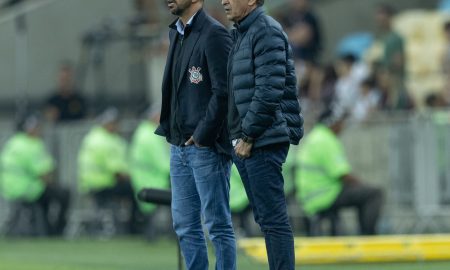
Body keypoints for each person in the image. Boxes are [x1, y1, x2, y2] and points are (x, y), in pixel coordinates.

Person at [221, 0, 304, 269]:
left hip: (261, 140)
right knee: (267, 220)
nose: (224, 0)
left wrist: (247, 136)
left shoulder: (266, 30)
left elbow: (269, 89)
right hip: (249, 139)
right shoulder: (242, 32)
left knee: (273, 221)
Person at [154, 0, 235, 269]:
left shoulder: (214, 34)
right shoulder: (175, 32)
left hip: (205, 147)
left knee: (217, 225)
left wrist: (202, 135)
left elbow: (224, 92)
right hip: (179, 147)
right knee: (185, 226)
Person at [295, 108, 383, 235]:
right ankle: (368, 239)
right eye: (340, 122)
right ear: (331, 123)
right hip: (324, 195)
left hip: (310, 197)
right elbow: (343, 174)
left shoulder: (314, 136)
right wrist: (362, 184)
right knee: (373, 194)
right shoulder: (326, 140)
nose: (343, 126)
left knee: (362, 193)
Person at [0, 114, 70, 236]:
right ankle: (56, 231)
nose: (39, 130)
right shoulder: (32, 145)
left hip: (9, 189)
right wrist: (52, 182)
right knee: (63, 194)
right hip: (29, 189)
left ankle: (45, 228)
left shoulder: (12, 143)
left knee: (47, 195)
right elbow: (43, 174)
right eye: (36, 127)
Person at [77, 107, 139, 234]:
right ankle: (133, 228)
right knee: (137, 192)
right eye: (114, 123)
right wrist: (135, 178)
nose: (117, 126)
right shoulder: (105, 141)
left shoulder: (93, 137)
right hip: (104, 183)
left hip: (90, 183)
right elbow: (117, 171)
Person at [130, 105, 170, 239]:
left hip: (143, 178)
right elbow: (162, 163)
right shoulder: (151, 136)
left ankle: (152, 233)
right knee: (180, 196)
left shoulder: (142, 132)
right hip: (153, 180)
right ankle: (174, 232)